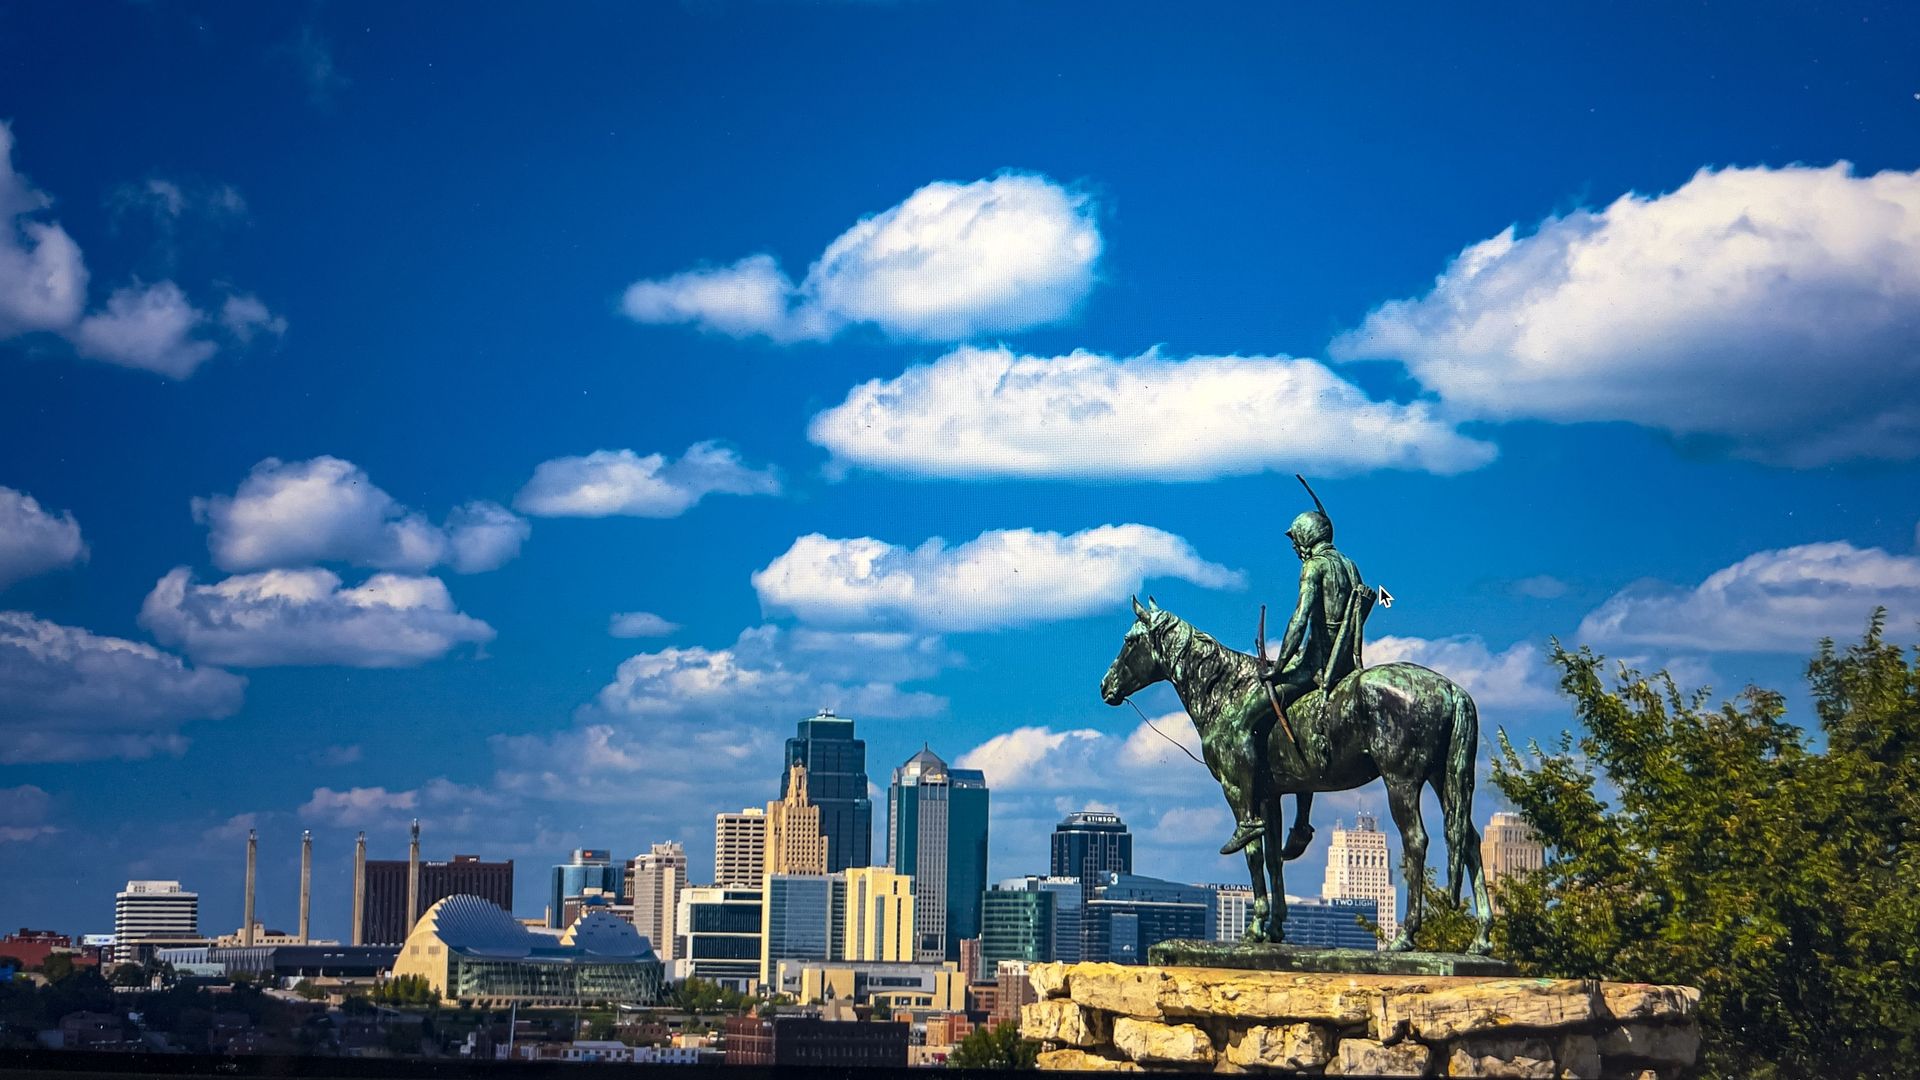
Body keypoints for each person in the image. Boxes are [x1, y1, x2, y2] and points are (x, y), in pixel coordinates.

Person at [1219, 492, 1375, 857]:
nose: (1295, 549)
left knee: (1240, 720)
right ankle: (1301, 823)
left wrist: (1278, 666)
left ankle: (1248, 818)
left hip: (1315, 666)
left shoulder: (1315, 567)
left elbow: (1301, 618)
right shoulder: (1350, 566)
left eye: (1296, 540)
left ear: (1307, 536)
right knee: (1295, 734)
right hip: (1346, 665)